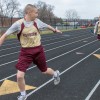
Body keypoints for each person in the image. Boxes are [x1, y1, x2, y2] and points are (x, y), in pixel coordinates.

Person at [0, 4, 62, 100]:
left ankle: (55, 74)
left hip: (38, 50)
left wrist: (55, 30)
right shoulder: (18, 24)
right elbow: (4, 36)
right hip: (26, 52)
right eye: (36, 12)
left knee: (44, 71)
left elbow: (47, 26)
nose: (37, 14)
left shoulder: (37, 22)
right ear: (29, 12)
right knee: (19, 76)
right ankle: (23, 94)